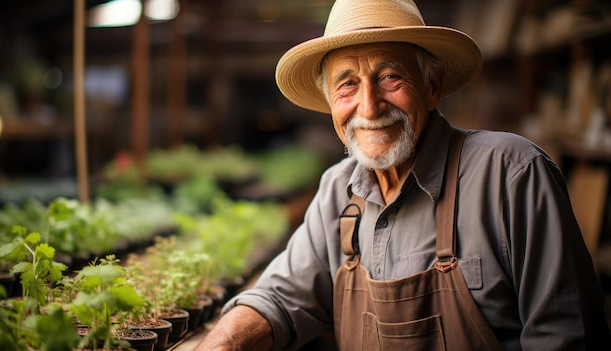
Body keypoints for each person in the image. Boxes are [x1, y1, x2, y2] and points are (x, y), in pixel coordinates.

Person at [194, 0, 611, 350]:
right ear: (329, 102)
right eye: (347, 85)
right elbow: (280, 300)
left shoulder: (511, 174)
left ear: (432, 86)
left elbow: (566, 337)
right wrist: (222, 343)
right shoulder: (339, 190)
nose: (370, 106)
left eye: (390, 77)